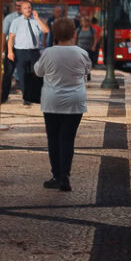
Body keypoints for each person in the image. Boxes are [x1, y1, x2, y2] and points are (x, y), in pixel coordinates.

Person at [34, 17, 91, 191]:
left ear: (55, 34)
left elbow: (38, 71)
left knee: (53, 138)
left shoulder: (48, 53)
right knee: (67, 138)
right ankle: (65, 175)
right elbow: (87, 71)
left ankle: (56, 176)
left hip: (52, 102)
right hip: (75, 101)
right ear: (73, 33)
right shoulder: (81, 53)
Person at [7, 1, 48, 105]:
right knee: (23, 75)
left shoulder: (36, 21)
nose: (28, 10)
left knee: (36, 74)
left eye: (29, 8)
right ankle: (26, 98)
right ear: (21, 10)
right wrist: (10, 51)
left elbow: (46, 30)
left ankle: (36, 96)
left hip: (34, 52)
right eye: (25, 8)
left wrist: (38, 18)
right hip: (21, 52)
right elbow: (11, 37)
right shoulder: (16, 21)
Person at [1, 0, 23, 103]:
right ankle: (4, 97)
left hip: (24, 49)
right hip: (12, 48)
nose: (18, 8)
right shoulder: (9, 18)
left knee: (25, 74)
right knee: (8, 74)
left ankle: (27, 97)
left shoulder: (30, 18)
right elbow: (3, 34)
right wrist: (3, 49)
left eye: (21, 6)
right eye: (17, 6)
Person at [76, 14, 95, 80]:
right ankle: (82, 75)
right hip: (80, 48)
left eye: (85, 21)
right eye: (82, 21)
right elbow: (75, 38)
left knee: (88, 62)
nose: (84, 22)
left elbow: (96, 38)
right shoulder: (79, 29)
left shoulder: (92, 30)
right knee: (81, 62)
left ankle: (88, 73)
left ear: (88, 22)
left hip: (88, 49)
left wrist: (93, 46)